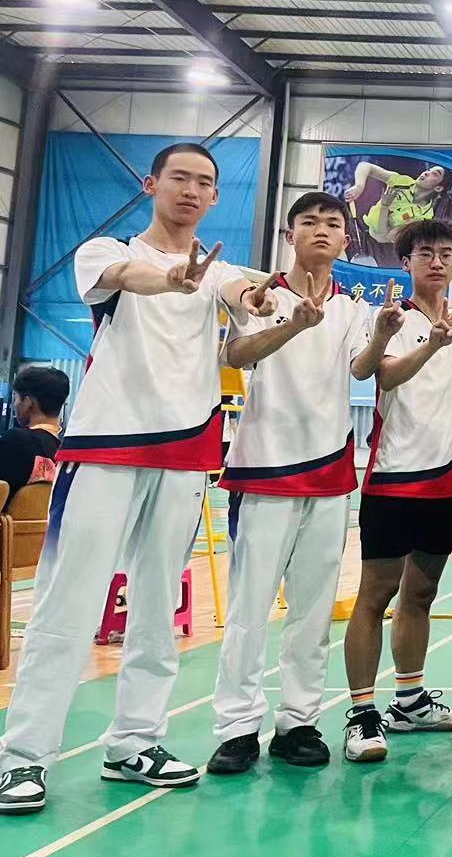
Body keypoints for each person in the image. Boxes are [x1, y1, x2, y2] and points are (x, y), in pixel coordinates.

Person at [0, 143, 277, 814]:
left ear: (215, 197)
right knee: (67, 604)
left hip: (185, 455)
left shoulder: (221, 272)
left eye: (204, 182)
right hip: (107, 449)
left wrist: (259, 294)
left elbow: (242, 295)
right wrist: (171, 277)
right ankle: (22, 757)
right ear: (152, 184)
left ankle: (134, 744)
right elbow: (128, 277)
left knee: (155, 611)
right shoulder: (107, 252)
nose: (191, 190)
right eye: (179, 177)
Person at [207, 191, 395, 775]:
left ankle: (299, 722)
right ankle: (237, 727)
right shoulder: (259, 293)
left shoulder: (353, 307)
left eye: (332, 223)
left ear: (346, 240)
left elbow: (361, 367)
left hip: (330, 473)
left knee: (312, 613)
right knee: (248, 609)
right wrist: (290, 325)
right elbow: (236, 353)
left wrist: (383, 334)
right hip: (264, 470)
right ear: (290, 235)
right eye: (308, 221)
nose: (321, 230)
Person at [342, 218, 452, 764]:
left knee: (420, 595)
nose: (438, 262)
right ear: (406, 263)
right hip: (395, 475)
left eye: (447, 253)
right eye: (426, 253)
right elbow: (384, 376)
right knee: (375, 596)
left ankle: (409, 701)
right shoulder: (390, 317)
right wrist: (432, 345)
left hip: (447, 477)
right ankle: (361, 712)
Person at [345, 160, 452, 246]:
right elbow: (365, 166)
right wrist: (359, 186)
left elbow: (383, 236)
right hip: (359, 229)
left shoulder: (424, 218)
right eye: (428, 170)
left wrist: (384, 207)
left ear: (438, 188)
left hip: (380, 248)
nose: (426, 173)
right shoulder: (403, 182)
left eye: (434, 174)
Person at [0, 365, 67, 499]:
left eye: (15, 398)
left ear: (28, 403)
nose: (14, 405)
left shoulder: (16, 440)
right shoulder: (65, 452)